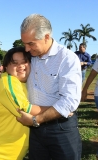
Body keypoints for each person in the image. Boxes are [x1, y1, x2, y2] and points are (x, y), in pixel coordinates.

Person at [12, 14, 82, 160]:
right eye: (24, 43)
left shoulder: (66, 58)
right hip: (35, 130)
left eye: (30, 43)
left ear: (46, 37)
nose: (26, 48)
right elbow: (13, 69)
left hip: (60, 129)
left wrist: (36, 120)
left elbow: (69, 101)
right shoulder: (30, 56)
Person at [0, 47, 47, 160]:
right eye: (15, 63)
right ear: (6, 67)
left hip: (4, 150)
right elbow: (24, 109)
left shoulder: (25, 82)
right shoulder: (8, 83)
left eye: (24, 62)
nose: (21, 66)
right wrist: (58, 109)